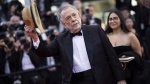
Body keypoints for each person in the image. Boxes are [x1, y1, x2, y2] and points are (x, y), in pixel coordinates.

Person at [24, 5, 126, 84]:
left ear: (79, 15)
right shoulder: (60, 39)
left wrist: (120, 78)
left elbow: (112, 55)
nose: (73, 19)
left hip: (102, 78)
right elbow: (44, 52)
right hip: (77, 81)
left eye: (74, 15)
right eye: (68, 18)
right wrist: (35, 37)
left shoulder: (95, 30)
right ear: (63, 24)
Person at [105, 10, 143, 84]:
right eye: (110, 19)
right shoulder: (105, 37)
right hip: (112, 75)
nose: (112, 21)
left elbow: (139, 55)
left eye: (115, 18)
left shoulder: (130, 35)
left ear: (121, 20)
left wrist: (128, 55)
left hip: (129, 74)